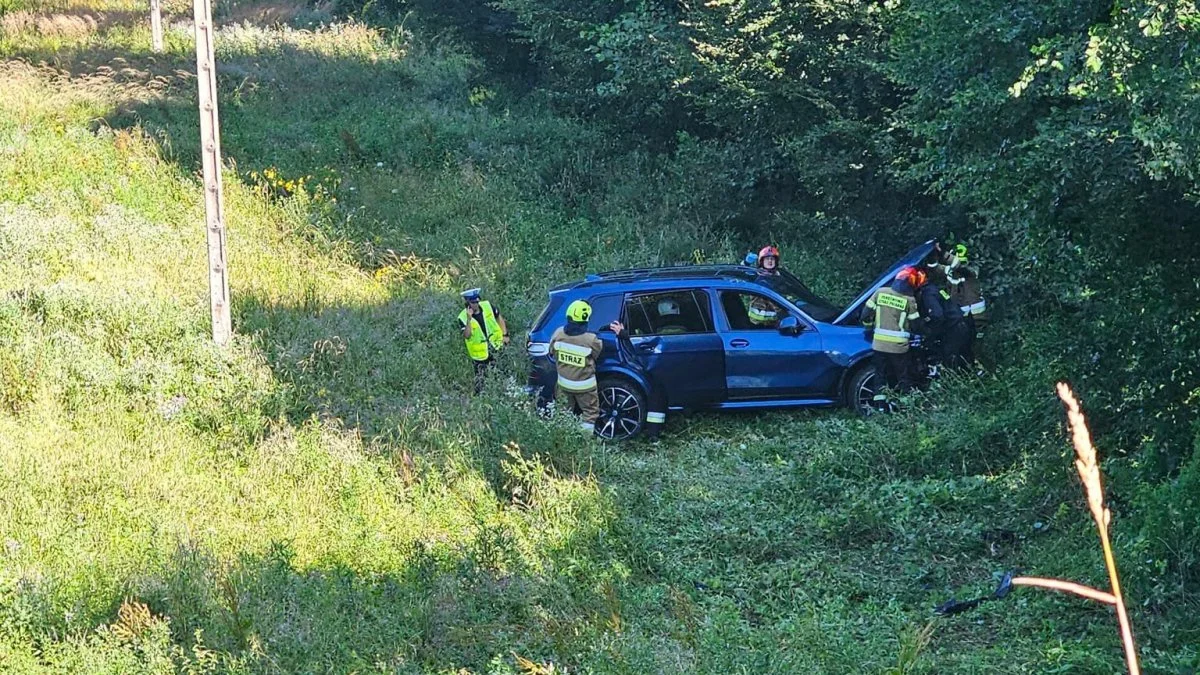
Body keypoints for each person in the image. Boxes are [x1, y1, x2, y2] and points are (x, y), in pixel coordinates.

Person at [549, 300, 623, 433]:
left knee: (563, 412)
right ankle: (584, 442)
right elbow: (596, 355)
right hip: (584, 386)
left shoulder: (558, 334)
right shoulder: (591, 339)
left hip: (563, 384)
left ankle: (562, 439)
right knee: (590, 414)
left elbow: (552, 352)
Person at [861, 266, 924, 409]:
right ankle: (906, 408)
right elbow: (916, 326)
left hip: (879, 345)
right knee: (903, 377)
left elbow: (865, 315)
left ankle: (880, 407)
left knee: (880, 376)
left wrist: (869, 326)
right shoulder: (910, 300)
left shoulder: (880, 292)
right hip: (899, 348)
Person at [916, 269, 972, 373]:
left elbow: (937, 316)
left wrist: (931, 334)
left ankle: (956, 383)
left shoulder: (927, 294)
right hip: (963, 324)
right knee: (965, 359)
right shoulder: (935, 289)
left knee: (950, 359)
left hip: (954, 329)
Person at [457, 288, 509, 394]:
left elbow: (499, 317)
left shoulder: (487, 306)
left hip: (496, 346)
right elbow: (467, 335)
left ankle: (506, 391)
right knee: (481, 381)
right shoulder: (462, 317)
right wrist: (469, 319)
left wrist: (505, 334)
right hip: (480, 354)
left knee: (504, 372)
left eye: (477, 301)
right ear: (467, 303)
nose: (476, 304)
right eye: (473, 302)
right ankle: (481, 400)